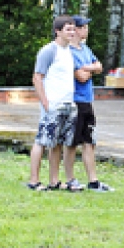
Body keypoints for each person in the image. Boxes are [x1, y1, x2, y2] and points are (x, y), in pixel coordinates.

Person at [59, 15, 113, 192]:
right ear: (76, 29)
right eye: (84, 27)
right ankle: (70, 179)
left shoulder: (85, 49)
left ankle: (93, 181)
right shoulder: (68, 52)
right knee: (71, 142)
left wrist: (87, 68)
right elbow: (80, 77)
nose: (86, 30)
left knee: (90, 141)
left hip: (87, 102)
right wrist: (91, 69)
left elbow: (99, 66)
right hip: (74, 102)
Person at [28, 16, 79, 190]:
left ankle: (54, 181)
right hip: (53, 104)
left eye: (73, 29)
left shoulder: (69, 51)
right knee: (42, 141)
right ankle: (34, 181)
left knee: (58, 143)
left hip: (67, 104)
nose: (72, 32)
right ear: (58, 31)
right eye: (68, 29)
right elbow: (37, 77)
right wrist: (45, 102)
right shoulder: (49, 51)